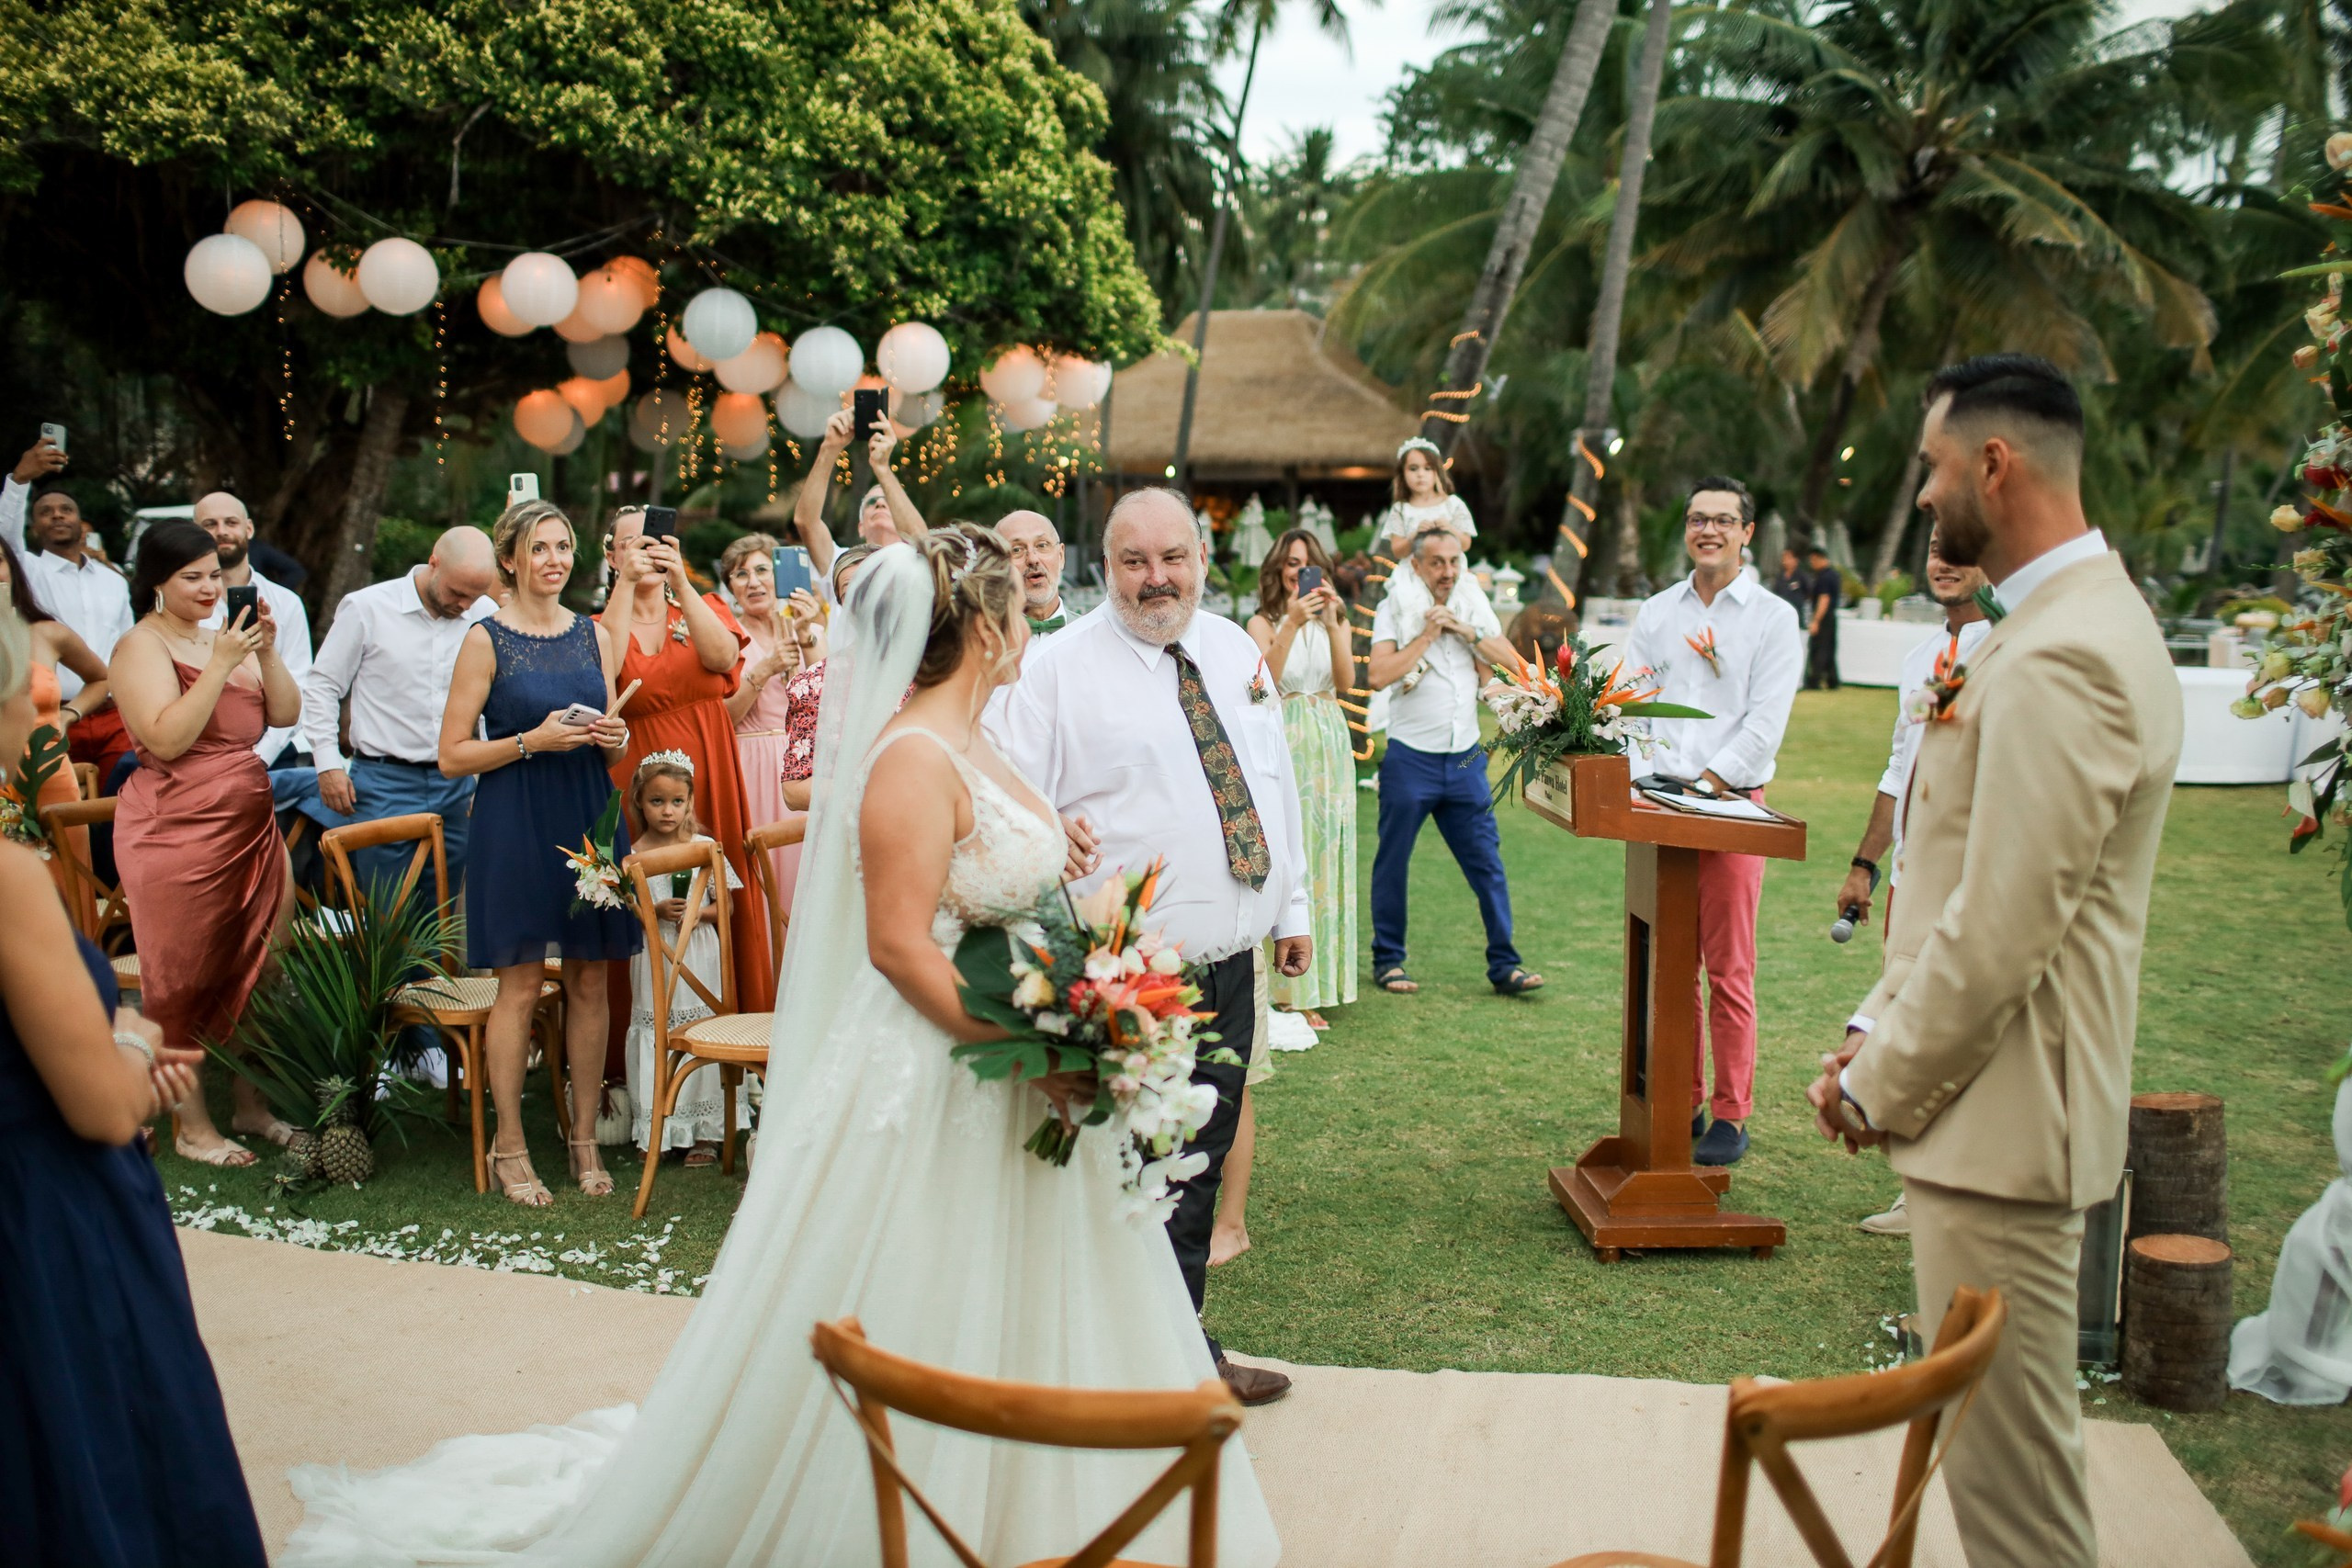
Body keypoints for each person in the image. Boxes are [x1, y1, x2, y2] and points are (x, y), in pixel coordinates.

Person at [280, 530, 1282, 1568]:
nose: (1032, 620)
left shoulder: (980, 740)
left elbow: (992, 890)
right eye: (1018, 610)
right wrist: (1031, 1046)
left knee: (1029, 1293)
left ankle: (1034, 1503)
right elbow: (898, 948)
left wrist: (1071, 951)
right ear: (984, 628)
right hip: (942, 1070)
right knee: (922, 1284)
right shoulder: (906, 758)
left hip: (1012, 1062)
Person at [1806, 355, 2181, 1568]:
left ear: (1994, 464)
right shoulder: (2072, 624)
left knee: (2018, 1511)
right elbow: (1963, 877)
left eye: (1930, 464)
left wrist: (1879, 1084)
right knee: (1999, 1474)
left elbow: (2009, 923)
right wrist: (1880, 1015)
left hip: (2008, 1131)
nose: (1922, 493)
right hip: (1995, 1114)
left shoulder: (2067, 652)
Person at [992, 487, 1312, 1408]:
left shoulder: (1235, 650)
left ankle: (1174, 1352)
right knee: (1126, 1173)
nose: (1155, 578)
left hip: (1231, 958)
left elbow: (1269, 781)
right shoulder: (1057, 670)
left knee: (1194, 1171)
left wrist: (1289, 910)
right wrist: (1052, 825)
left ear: (1200, 559)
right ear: (1108, 564)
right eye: (1134, 561)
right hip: (1128, 976)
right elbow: (1008, 800)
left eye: (1171, 558)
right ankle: (1134, 1366)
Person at [0, 602, 269, 1568]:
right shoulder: (9, 880)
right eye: (29, 702)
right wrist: (129, 1043)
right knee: (93, 1456)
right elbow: (103, 1106)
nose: (46, 724)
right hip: (42, 1221)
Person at [437, 501, 639, 1206]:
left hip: (589, 813)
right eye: (540, 548)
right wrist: (530, 741)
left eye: (563, 546)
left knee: (589, 980)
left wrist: (613, 739)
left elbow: (615, 735)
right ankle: (511, 1144)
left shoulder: (594, 635)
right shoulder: (485, 640)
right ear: (511, 560)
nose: (554, 559)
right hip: (514, 819)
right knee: (518, 986)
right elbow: (451, 755)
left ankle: (583, 1140)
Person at [108, 522, 301, 1168]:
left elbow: (283, 715)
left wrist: (266, 652)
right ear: (156, 582)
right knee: (183, 977)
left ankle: (251, 1103)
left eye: (214, 575)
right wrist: (218, 665)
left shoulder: (231, 639)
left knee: (266, 968)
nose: (207, 587)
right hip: (175, 831)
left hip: (250, 827)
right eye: (191, 576)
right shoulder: (141, 645)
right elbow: (165, 740)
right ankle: (191, 1125)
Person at [1622, 477, 1802, 1166]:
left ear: (1746, 533)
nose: (1709, 530)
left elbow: (1764, 722)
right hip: (1661, 808)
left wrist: (1705, 785)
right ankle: (1685, 1097)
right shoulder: (1657, 612)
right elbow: (1633, 701)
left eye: (1724, 520)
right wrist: (1648, 781)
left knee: (1728, 969)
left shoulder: (1771, 617)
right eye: (1698, 518)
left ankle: (1732, 1111)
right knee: (1671, 966)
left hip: (1731, 809)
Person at [1833, 527, 1989, 1237]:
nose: (1943, 559)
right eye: (1934, 545)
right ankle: (1917, 1186)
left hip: (1978, 874)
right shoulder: (1922, 657)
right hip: (1911, 875)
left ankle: (1961, 1187)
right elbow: (1902, 766)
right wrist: (1866, 865)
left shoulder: (2011, 650)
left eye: (1960, 545)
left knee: (1961, 1026)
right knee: (1908, 1022)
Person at [600, 507, 774, 1015]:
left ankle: (735, 1025)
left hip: (709, 764)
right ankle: (644, 1038)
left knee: (720, 888)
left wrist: (680, 579)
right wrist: (626, 589)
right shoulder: (600, 624)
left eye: (654, 541)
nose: (645, 552)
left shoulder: (704, 606)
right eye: (631, 544)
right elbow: (604, 671)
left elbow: (723, 662)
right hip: (636, 774)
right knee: (644, 897)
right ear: (612, 556)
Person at [1366, 525, 1542, 998]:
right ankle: (1388, 960)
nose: (1447, 571)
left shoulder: (1472, 607)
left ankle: (1506, 965)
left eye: (1454, 561)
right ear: (1418, 565)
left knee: (1487, 862)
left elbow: (1508, 665)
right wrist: (1427, 634)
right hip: (1410, 761)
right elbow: (1378, 674)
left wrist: (1464, 629)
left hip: (1465, 762)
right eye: (1437, 562)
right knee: (1393, 861)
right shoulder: (1393, 608)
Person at [291, 525, 500, 898]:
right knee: (388, 915)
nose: (465, 605)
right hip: (384, 781)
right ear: (433, 563)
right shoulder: (367, 607)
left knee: (443, 916)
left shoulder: (485, 613)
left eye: (475, 595)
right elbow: (323, 685)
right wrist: (327, 763)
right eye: (457, 593)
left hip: (458, 782)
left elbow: (491, 701)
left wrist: (483, 780)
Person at [1247, 526, 1354, 1024]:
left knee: (1330, 852)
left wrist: (1332, 624)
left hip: (1330, 739)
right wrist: (1290, 623)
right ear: (1278, 570)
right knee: (1292, 851)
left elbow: (1348, 683)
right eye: (1292, 563)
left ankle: (1324, 982)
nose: (1299, 572)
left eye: (1308, 563)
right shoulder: (1261, 621)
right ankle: (1289, 991)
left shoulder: (1337, 618)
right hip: (1285, 736)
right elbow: (1260, 684)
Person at [619, 751, 739, 1165]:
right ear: (639, 802)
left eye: (676, 802)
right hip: (656, 956)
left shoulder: (705, 847)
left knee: (701, 1035)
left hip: (699, 953)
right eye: (657, 801)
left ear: (689, 803)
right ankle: (657, 1128)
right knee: (655, 1035)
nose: (667, 811)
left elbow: (727, 908)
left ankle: (704, 1133)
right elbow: (627, 910)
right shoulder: (632, 854)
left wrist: (695, 912)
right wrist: (652, 912)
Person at [0, 436, 137, 783]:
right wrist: (18, 481)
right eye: (45, 512)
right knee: (62, 817)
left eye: (66, 509)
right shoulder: (27, 571)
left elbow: (128, 649)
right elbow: (5, 537)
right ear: (34, 529)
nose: (57, 515)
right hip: (49, 716)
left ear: (82, 523)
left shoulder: (114, 582)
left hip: (113, 715)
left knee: (122, 811)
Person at [1, 538, 107, 919]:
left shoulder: (47, 632)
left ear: (12, 569)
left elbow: (101, 677)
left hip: (51, 776)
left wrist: (69, 715)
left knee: (69, 884)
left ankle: (82, 964)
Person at [718, 532, 822, 916]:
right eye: (740, 574)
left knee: (804, 875)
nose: (754, 581)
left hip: (802, 765)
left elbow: (828, 699)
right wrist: (764, 670)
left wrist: (807, 633)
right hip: (751, 762)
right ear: (730, 586)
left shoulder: (804, 628)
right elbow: (724, 717)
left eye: (762, 570)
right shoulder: (728, 639)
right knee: (762, 878)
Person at [192, 491, 313, 768]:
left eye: (230, 523)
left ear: (249, 528)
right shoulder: (186, 607)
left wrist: (262, 756)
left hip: (277, 747)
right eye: (209, 524)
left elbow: (300, 686)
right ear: (194, 532)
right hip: (205, 746)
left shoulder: (286, 603)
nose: (221, 532)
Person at [788, 406, 927, 601]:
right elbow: (806, 522)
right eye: (871, 502)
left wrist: (882, 468)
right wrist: (829, 447)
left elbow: (922, 539)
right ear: (860, 527)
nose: (879, 505)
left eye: (887, 502)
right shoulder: (842, 562)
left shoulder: (916, 563)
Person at [1374, 435, 1476, 561]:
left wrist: (1449, 529)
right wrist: (1414, 536)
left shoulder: (1453, 504)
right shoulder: (1400, 509)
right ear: (1403, 474)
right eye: (1413, 469)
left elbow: (1466, 544)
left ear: (1437, 473)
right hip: (1411, 574)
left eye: (1428, 468)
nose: (1420, 474)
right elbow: (1397, 551)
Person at [998, 508, 1072, 633]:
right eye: (1016, 550)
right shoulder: (983, 641)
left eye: (1042, 545)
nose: (1032, 559)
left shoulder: (1093, 635)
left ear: (1061, 556)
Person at [1804, 539, 1843, 690]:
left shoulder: (1824, 577)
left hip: (1824, 616)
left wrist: (1816, 621)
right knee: (1830, 648)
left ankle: (1815, 680)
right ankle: (1832, 680)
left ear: (1818, 558)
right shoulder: (1833, 574)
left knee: (1819, 649)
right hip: (1831, 616)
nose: (1811, 564)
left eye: (1812, 560)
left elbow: (1824, 599)